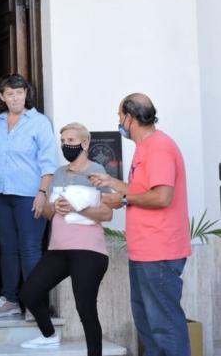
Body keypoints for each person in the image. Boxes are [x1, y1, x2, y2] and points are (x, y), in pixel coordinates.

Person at [90, 93, 191, 356]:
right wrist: (112, 183)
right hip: (146, 251)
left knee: (165, 326)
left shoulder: (158, 147)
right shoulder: (145, 147)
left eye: (119, 117)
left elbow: (162, 196)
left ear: (130, 117)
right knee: (148, 324)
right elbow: (141, 190)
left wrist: (123, 197)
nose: (119, 122)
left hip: (159, 252)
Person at [18, 123, 112, 354]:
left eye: (70, 140)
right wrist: (53, 207)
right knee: (29, 293)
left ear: (85, 143)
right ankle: (49, 335)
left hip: (88, 250)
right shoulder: (59, 173)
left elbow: (107, 214)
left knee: (85, 309)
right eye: (63, 141)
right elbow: (50, 213)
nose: (66, 145)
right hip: (58, 249)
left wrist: (76, 208)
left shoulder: (97, 172)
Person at [0, 73, 59, 318]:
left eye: (20, 92)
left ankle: (34, 303)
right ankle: (11, 299)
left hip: (29, 195)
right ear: (2, 97)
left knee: (30, 248)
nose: (15, 97)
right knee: (8, 249)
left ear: (26, 94)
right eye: (10, 93)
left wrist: (42, 193)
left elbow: (49, 163)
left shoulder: (39, 122)